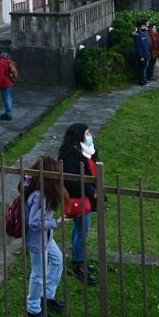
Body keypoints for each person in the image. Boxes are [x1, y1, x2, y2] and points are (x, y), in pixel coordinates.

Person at [23, 156, 66, 317]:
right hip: (37, 239)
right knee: (38, 274)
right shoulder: (40, 196)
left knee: (57, 260)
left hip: (46, 237)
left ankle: (47, 295)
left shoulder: (42, 191)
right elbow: (33, 223)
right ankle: (33, 307)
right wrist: (56, 222)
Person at [58, 122, 99, 286]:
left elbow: (91, 165)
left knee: (78, 229)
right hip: (78, 197)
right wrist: (90, 190)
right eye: (87, 132)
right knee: (83, 231)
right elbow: (72, 179)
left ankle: (78, 257)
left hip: (84, 196)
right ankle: (78, 263)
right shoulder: (69, 154)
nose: (89, 135)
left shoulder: (82, 150)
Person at [0, 51, 19, 121]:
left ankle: (8, 115)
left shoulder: (0, 61)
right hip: (10, 81)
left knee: (6, 98)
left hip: (5, 83)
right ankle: (9, 112)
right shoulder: (7, 59)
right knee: (9, 98)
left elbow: (0, 75)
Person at [133, 21, 152, 86]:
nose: (144, 27)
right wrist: (141, 56)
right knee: (141, 68)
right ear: (139, 27)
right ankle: (141, 81)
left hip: (146, 54)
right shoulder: (137, 35)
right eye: (143, 26)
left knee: (144, 68)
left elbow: (146, 44)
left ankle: (143, 80)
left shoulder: (143, 33)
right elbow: (138, 47)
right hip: (142, 55)